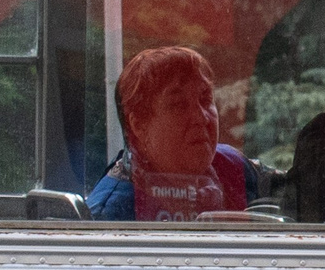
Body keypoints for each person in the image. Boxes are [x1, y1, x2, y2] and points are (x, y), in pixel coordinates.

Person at [85, 45, 272, 221]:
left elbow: (292, 196)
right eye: (178, 105)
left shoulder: (233, 166)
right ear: (139, 125)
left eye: (205, 98)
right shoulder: (110, 215)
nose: (201, 117)